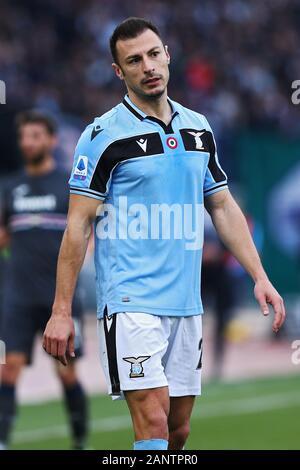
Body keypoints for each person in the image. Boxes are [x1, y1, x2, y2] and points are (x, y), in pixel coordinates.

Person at [43, 17, 286, 451]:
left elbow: (223, 206)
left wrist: (260, 276)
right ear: (119, 72)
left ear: (167, 55)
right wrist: (62, 311)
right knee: (152, 422)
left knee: (178, 431)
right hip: (130, 299)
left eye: (154, 54)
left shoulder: (198, 128)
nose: (148, 66)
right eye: (134, 60)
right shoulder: (101, 137)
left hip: (185, 302)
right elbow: (77, 225)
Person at [0, 111, 88, 450]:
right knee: (8, 372)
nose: (28, 143)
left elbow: (83, 234)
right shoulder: (10, 187)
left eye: (35, 136)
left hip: (59, 301)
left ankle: (81, 441)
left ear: (51, 141)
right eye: (24, 136)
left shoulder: (68, 185)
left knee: (66, 373)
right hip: (17, 298)